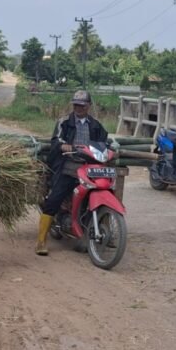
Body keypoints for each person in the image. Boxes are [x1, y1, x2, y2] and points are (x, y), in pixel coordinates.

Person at [35, 90, 108, 256]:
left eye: (82, 105)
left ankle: (92, 232)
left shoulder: (96, 125)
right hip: (67, 166)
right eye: (76, 105)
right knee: (54, 199)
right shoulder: (64, 122)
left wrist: (108, 150)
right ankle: (41, 241)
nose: (78, 108)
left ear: (88, 106)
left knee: (97, 195)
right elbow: (56, 140)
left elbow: (103, 142)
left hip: (88, 168)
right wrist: (63, 145)